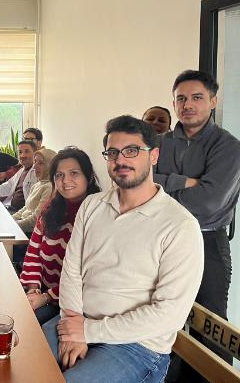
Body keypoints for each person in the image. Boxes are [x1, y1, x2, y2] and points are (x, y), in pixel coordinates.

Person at [42, 115, 203, 382]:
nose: (120, 160)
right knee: (14, 364)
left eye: (131, 150)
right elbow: (71, 271)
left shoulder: (180, 225)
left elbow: (169, 315)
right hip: (77, 321)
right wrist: (73, 324)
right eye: (113, 152)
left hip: (137, 346)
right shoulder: (92, 205)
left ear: (153, 156)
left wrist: (87, 331)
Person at [154, 70, 240, 368]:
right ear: (174, 103)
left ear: (213, 101)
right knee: (164, 318)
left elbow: (208, 202)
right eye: (181, 99)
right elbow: (140, 185)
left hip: (208, 242)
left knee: (210, 325)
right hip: (160, 240)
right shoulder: (159, 143)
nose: (187, 104)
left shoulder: (229, 146)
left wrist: (163, 187)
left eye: (197, 97)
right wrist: (185, 182)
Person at [20, 148, 100, 325]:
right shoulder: (51, 209)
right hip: (43, 292)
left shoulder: (97, 214)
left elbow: (87, 276)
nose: (65, 181)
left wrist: (46, 297)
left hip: (75, 302)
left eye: (74, 173)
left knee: (27, 326)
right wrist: (33, 289)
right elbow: (33, 251)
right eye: (59, 175)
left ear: (88, 177)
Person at [12, 149, 55, 233]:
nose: (34, 166)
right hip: (21, 226)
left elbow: (36, 220)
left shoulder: (49, 188)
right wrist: (10, 219)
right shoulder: (38, 184)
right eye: (35, 162)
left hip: (30, 233)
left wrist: (13, 225)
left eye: (41, 163)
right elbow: (26, 208)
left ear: (51, 166)